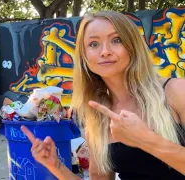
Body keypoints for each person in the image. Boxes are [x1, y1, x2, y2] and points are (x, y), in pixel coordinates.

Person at [21, 10, 185, 180]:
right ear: (84, 56)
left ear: (133, 46)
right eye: (93, 44)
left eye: (116, 40)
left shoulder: (176, 92)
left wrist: (145, 140)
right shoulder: (99, 117)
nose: (105, 51)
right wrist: (56, 166)